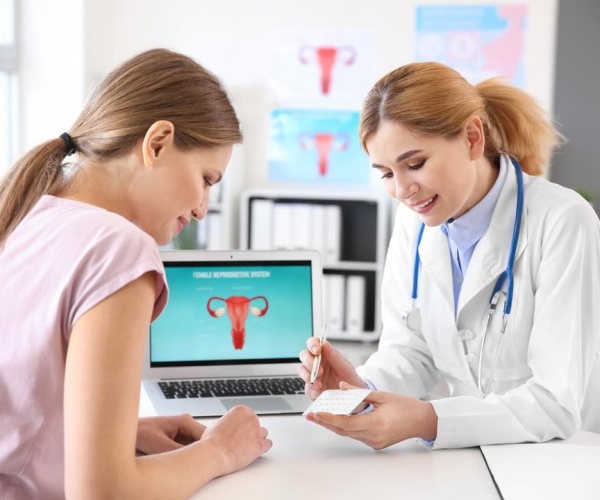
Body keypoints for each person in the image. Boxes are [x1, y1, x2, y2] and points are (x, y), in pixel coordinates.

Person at [0, 48, 272, 499]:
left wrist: (124, 432)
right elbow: (104, 493)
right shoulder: (119, 248)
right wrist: (221, 451)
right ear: (158, 142)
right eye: (206, 179)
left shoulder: (25, 211)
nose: (203, 209)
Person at [298, 61, 600, 450]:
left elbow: (555, 402)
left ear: (473, 137)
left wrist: (429, 419)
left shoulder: (563, 221)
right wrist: (359, 386)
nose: (404, 190)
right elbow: (411, 350)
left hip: (554, 458)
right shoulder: (414, 219)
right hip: (471, 455)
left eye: (415, 164)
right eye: (387, 173)